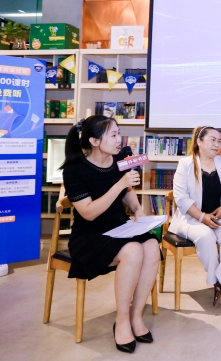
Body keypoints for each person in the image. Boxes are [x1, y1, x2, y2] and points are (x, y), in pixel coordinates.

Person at [61, 116, 160, 353]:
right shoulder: (74, 171)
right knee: (133, 250)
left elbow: (128, 192)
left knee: (151, 247)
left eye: (119, 133)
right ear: (94, 141)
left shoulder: (119, 159)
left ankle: (136, 315)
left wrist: (137, 209)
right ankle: (122, 320)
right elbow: (88, 213)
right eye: (113, 135)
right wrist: (119, 184)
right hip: (89, 235)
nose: (119, 140)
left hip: (120, 226)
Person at [170, 126, 221, 306]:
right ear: (199, 142)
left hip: (220, 216)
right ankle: (218, 282)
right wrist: (202, 217)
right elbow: (181, 198)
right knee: (206, 236)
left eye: (219, 141)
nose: (217, 144)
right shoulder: (185, 165)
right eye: (213, 140)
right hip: (192, 218)